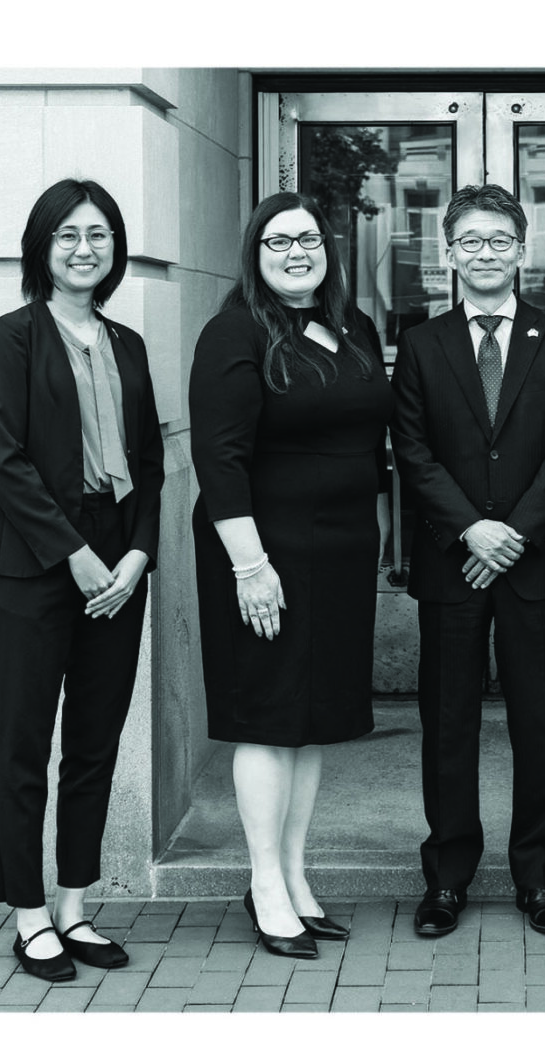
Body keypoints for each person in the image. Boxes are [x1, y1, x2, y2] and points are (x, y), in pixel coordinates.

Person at [189, 192, 393, 960]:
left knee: (314, 724)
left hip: (338, 553)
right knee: (269, 717)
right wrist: (250, 567)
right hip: (262, 553)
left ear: (329, 247)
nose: (296, 252)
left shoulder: (355, 327)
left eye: (309, 238)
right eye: (279, 241)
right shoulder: (234, 331)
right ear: (255, 252)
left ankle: (296, 877)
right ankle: (264, 883)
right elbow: (220, 460)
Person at [390, 185, 545, 939]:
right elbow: (411, 451)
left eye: (498, 240)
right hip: (453, 563)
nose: (484, 253)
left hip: (531, 562)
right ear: (448, 253)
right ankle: (447, 877)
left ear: (522, 249)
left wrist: (512, 533)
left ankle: (539, 878)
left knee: (537, 721)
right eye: (470, 241)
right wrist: (470, 531)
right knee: (448, 723)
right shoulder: (420, 343)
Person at [0, 178, 165, 982]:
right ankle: (28, 916)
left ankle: (74, 904)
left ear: (115, 249)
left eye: (99, 235)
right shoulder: (12, 336)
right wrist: (75, 555)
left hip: (119, 564)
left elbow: (153, 466)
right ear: (42, 248)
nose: (85, 249)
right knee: (25, 741)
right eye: (69, 236)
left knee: (93, 743)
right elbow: (5, 462)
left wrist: (136, 555)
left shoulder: (128, 344)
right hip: (35, 565)